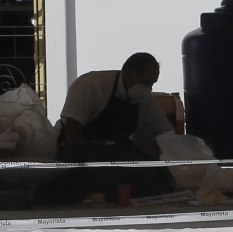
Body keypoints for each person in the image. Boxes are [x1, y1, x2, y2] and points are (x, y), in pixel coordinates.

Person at [46, 53, 173, 203]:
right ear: (129, 74)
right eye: (146, 82)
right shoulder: (91, 85)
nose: (149, 88)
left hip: (109, 155)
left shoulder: (145, 101)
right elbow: (72, 125)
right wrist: (80, 164)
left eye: (152, 84)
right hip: (73, 152)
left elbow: (167, 135)